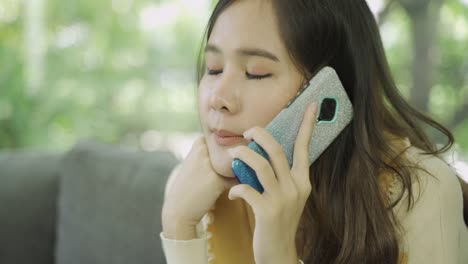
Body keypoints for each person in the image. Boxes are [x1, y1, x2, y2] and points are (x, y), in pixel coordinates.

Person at [160, 0, 468, 263]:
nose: (217, 99)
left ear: (325, 94)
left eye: (256, 73)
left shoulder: (421, 191)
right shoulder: (190, 193)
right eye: (213, 69)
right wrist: (178, 229)